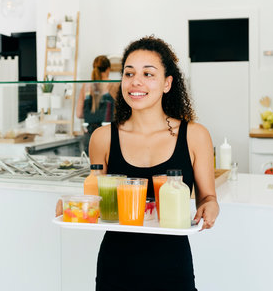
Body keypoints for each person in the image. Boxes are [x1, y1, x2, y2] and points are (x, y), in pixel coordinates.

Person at [89, 36, 219, 291]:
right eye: (129, 73)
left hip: (172, 267)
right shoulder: (102, 138)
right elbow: (97, 202)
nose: (136, 81)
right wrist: (73, 206)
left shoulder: (194, 135)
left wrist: (210, 207)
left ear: (167, 83)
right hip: (116, 267)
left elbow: (208, 198)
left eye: (148, 74)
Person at [76, 55, 119, 152]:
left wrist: (92, 114)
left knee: (91, 166)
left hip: (89, 136)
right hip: (109, 135)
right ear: (108, 69)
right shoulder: (114, 85)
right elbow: (122, 112)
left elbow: (79, 114)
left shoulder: (86, 86)